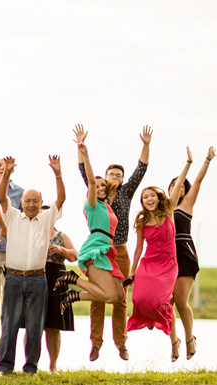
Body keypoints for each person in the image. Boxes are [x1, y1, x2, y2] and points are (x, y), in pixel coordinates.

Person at [79, 126, 152, 362]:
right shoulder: (97, 193)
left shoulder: (126, 192)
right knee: (98, 297)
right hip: (100, 251)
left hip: (119, 250)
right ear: (104, 176)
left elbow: (141, 170)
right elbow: (85, 171)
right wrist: (81, 147)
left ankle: (121, 343)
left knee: (120, 299)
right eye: (111, 173)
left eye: (119, 175)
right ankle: (95, 343)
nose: (115, 177)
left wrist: (146, 145)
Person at [0, 156, 66, 375]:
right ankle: (5, 367)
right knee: (10, 324)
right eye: (28, 201)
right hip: (13, 277)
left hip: (37, 279)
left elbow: (61, 199)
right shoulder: (12, 216)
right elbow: (1, 197)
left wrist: (58, 174)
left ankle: (31, 368)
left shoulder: (46, 219)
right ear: (22, 202)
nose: (32, 205)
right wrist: (7, 173)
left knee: (35, 326)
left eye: (36, 201)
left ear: (41, 202)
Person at [55, 125, 126, 317]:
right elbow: (92, 181)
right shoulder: (92, 204)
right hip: (95, 248)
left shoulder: (106, 206)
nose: (101, 187)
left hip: (106, 248)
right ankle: (73, 279)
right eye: (98, 186)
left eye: (104, 185)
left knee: (119, 296)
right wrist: (84, 153)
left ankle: (73, 295)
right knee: (109, 296)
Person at [127, 151, 191, 357]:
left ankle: (174, 341)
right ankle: (150, 318)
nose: (149, 199)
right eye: (145, 197)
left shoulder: (169, 210)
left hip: (168, 263)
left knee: (162, 302)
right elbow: (138, 248)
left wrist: (188, 163)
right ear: (142, 202)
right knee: (138, 298)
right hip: (148, 262)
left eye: (152, 195)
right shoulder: (142, 221)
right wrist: (132, 271)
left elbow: (179, 184)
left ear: (158, 197)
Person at [169, 147, 216, 360]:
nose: (177, 189)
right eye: (173, 186)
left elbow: (197, 181)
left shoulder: (187, 204)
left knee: (180, 301)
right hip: (167, 257)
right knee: (165, 303)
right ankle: (174, 342)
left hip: (185, 255)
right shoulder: (163, 209)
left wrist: (206, 160)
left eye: (180, 186)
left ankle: (189, 339)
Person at [0, 158, 25, 357]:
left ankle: (8, 341)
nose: (2, 168)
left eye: (5, 165)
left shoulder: (21, 193)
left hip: (12, 251)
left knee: (10, 299)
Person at [43, 223, 79, 373]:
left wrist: (61, 250)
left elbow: (74, 256)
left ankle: (53, 366)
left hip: (56, 279)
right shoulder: (32, 232)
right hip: (35, 277)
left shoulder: (61, 236)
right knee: (33, 325)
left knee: (53, 325)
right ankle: (30, 365)